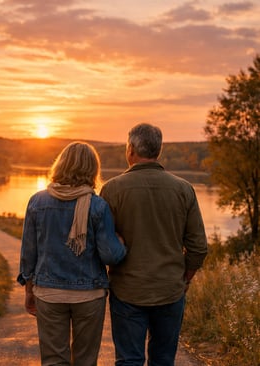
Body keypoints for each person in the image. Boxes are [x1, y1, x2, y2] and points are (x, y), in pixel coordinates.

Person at [100, 123, 208, 366]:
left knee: (129, 360)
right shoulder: (184, 189)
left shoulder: (112, 189)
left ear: (130, 150)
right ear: (159, 151)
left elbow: (101, 245)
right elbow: (199, 247)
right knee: (163, 360)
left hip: (127, 291)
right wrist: (186, 278)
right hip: (170, 290)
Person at [17, 141, 127, 366]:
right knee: (85, 362)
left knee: (54, 361)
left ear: (60, 165)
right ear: (92, 170)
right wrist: (120, 243)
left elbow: (29, 254)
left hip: (48, 294)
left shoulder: (37, 201)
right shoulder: (98, 206)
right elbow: (110, 256)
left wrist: (29, 290)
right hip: (89, 296)